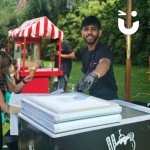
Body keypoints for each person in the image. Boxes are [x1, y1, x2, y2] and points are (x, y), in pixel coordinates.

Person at [75, 16, 118, 100]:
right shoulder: (84, 51)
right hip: (93, 98)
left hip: (109, 99)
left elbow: (104, 64)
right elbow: (86, 72)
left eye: (93, 29)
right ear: (82, 33)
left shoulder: (104, 49)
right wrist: (82, 82)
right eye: (86, 29)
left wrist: (93, 76)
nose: (89, 32)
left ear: (99, 33)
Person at [0, 50, 32, 149]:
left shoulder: (4, 75)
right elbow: (5, 107)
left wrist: (24, 81)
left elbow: (13, 89)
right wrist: (24, 111)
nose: (12, 68)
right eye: (9, 65)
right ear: (3, 66)